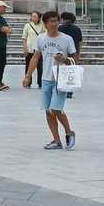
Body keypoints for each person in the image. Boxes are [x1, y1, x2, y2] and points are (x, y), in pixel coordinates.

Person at [22, 9, 77, 150]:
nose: (54, 24)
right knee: (48, 110)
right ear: (45, 23)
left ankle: (69, 132)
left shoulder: (67, 39)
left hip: (61, 79)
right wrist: (28, 75)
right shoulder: (41, 38)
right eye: (51, 21)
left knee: (56, 109)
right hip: (46, 79)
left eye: (56, 21)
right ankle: (56, 140)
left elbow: (75, 59)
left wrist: (64, 59)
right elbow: (35, 57)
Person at [21, 11, 45, 88]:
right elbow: (24, 38)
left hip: (39, 49)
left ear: (39, 18)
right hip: (30, 48)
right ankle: (28, 82)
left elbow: (45, 36)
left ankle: (40, 83)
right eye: (32, 16)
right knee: (28, 65)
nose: (33, 18)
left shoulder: (43, 25)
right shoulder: (27, 25)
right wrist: (25, 48)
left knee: (39, 66)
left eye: (35, 16)